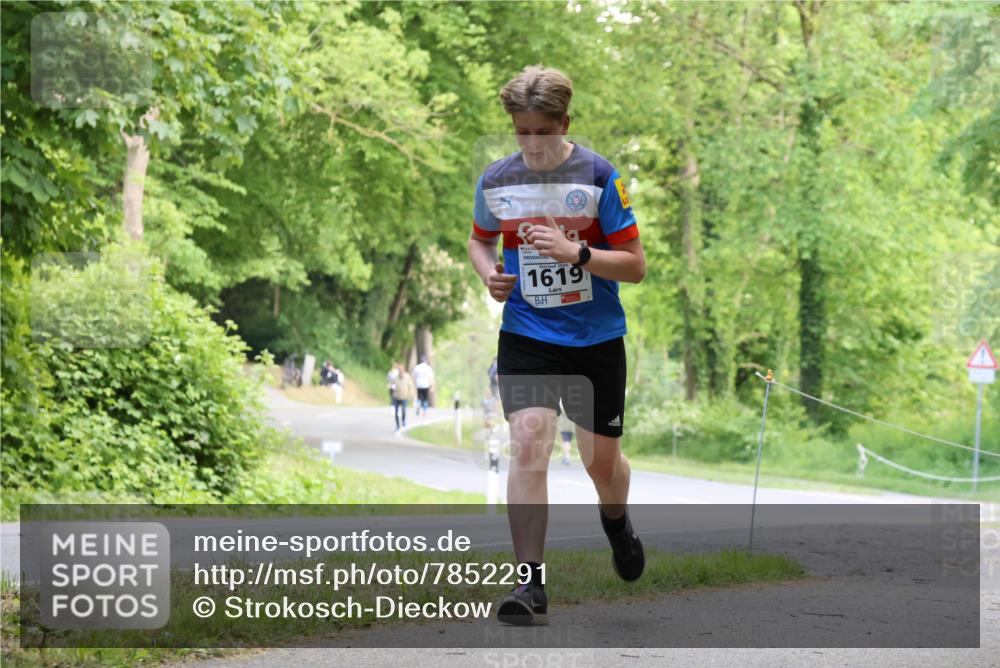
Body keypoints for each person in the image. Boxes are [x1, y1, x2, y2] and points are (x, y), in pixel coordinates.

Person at [467, 65, 646, 626]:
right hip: (527, 334)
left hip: (595, 340)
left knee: (601, 464)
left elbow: (636, 266)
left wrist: (580, 256)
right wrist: (489, 276)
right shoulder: (497, 181)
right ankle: (529, 583)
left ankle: (616, 522)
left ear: (564, 122)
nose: (532, 144)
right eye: (522, 132)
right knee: (528, 440)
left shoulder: (599, 176)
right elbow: (479, 241)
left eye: (543, 132)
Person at [391, 363, 415, 432]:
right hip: (396, 397)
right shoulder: (395, 378)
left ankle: (404, 421)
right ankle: (398, 425)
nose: (400, 372)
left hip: (404, 397)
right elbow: (392, 385)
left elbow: (411, 387)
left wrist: (411, 395)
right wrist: (392, 391)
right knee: (396, 412)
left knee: (404, 410)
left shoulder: (407, 377)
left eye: (401, 371)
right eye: (399, 371)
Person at [556, 401, 574, 466]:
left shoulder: (562, 406)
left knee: (566, 442)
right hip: (571, 427)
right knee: (566, 442)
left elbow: (558, 415)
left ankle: (567, 458)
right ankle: (565, 457)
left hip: (564, 426)